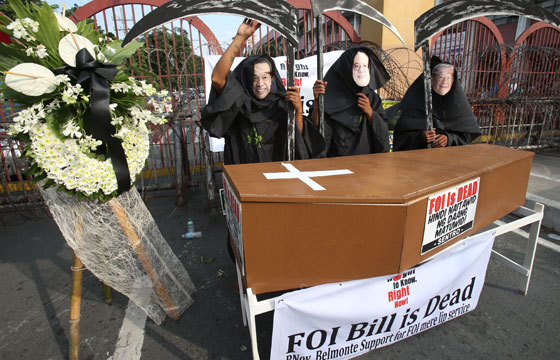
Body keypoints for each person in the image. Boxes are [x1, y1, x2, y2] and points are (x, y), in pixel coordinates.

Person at [201, 18, 325, 165]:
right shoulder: (237, 100)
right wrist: (240, 38)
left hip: (276, 177)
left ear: (272, 78)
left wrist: (297, 112)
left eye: (265, 77)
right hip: (244, 176)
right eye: (254, 78)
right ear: (247, 79)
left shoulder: (280, 103)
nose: (260, 84)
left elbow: (298, 142)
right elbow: (217, 79)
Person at [311, 46, 390, 157]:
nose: (361, 71)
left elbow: (383, 134)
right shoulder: (330, 97)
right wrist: (317, 101)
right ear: (346, 68)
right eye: (356, 66)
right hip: (338, 165)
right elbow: (317, 132)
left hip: (368, 164)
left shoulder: (372, 99)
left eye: (365, 66)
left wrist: (371, 114)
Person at [393, 56, 481, 151]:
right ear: (431, 79)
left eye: (448, 78)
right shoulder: (414, 102)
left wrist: (449, 139)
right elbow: (400, 139)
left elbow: (467, 138)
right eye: (440, 77)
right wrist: (420, 137)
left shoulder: (458, 106)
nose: (444, 82)